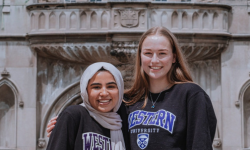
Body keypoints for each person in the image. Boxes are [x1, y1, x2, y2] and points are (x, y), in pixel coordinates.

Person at [47, 26, 217, 150]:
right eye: (148, 53)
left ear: (174, 57)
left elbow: (200, 144)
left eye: (162, 53)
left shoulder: (191, 95)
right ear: (140, 57)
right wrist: (63, 128)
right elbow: (99, 127)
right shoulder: (128, 101)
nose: (154, 60)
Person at [46, 62, 129, 150]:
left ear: (119, 89)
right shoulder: (73, 115)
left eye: (111, 86)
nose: (104, 93)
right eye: (96, 87)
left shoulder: (126, 119)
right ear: (86, 91)